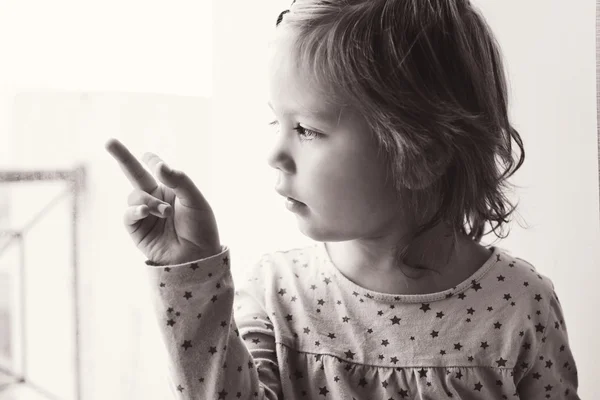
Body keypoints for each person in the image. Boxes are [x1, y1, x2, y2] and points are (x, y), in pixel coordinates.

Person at [106, 0, 580, 398]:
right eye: (278, 123)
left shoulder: (520, 307)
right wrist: (192, 273)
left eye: (307, 130)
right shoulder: (278, 295)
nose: (275, 154)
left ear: (420, 155)